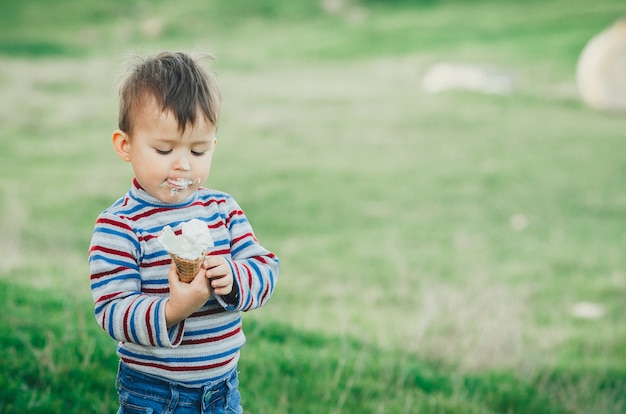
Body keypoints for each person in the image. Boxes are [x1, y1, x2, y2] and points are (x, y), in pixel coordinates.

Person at [88, 51, 279, 414]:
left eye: (198, 149)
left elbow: (266, 268)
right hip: (153, 394)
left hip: (223, 391)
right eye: (164, 149)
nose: (183, 163)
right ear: (125, 145)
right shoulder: (120, 225)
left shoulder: (222, 210)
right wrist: (172, 310)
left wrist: (235, 277)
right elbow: (112, 310)